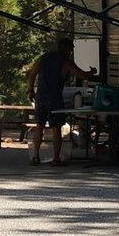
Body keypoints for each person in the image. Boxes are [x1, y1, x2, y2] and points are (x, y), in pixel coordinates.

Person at [26, 36, 86, 165]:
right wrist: (92, 73)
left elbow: (31, 74)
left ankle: (35, 156)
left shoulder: (43, 58)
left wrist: (30, 90)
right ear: (65, 48)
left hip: (41, 98)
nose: (70, 52)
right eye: (70, 49)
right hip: (54, 99)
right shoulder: (66, 62)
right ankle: (55, 159)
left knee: (39, 126)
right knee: (56, 128)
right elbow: (82, 75)